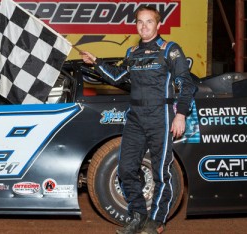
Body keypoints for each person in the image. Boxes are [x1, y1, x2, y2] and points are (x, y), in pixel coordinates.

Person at [80, 5, 196, 234]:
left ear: (158, 24)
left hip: (161, 116)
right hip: (135, 117)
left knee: (161, 171)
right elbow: (118, 77)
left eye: (149, 21)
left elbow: (186, 83)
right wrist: (96, 62)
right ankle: (138, 215)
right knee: (125, 169)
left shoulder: (169, 50)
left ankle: (157, 221)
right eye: (140, 22)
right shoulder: (132, 53)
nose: (144, 26)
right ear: (136, 26)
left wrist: (180, 114)